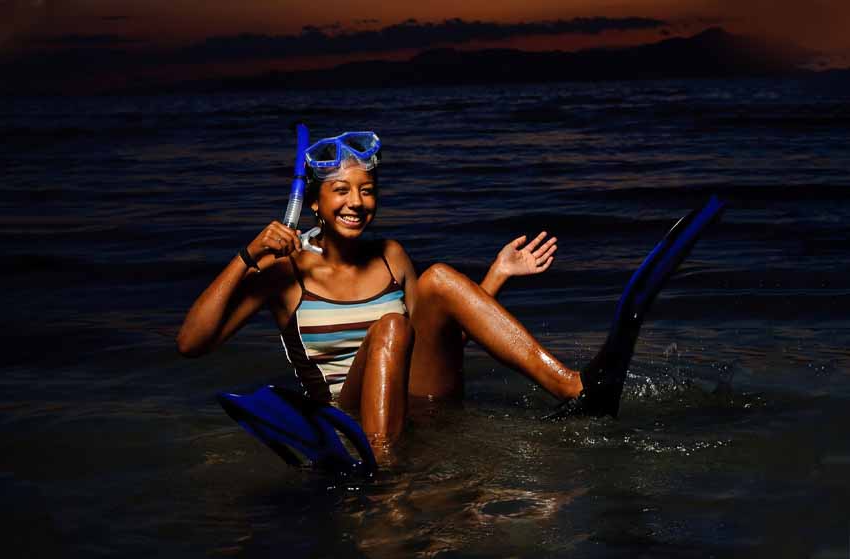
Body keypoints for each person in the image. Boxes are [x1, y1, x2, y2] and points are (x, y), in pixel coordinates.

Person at [177, 130, 722, 457]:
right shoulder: (281, 273)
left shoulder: (391, 257)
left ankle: (577, 388)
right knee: (390, 326)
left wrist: (497, 276)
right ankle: (386, 468)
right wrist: (247, 257)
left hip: (416, 406)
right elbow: (191, 345)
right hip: (347, 421)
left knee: (437, 278)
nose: (356, 202)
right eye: (340, 190)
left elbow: (442, 346)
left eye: (367, 190)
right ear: (316, 204)